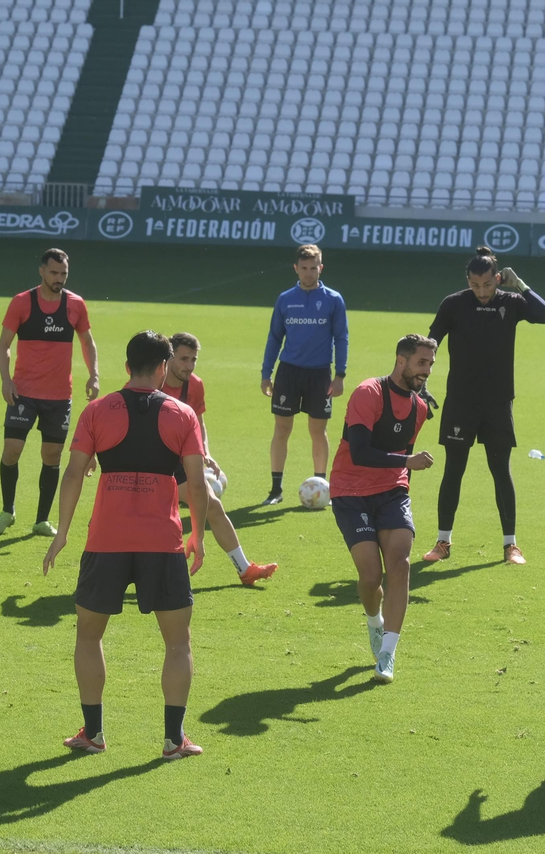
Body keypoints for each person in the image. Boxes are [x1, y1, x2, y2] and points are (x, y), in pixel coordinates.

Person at [43, 331, 207, 760]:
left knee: (88, 636)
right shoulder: (182, 414)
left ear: (126, 365)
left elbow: (74, 473)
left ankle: (94, 734)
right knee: (178, 643)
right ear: (162, 368)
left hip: (106, 540)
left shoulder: (97, 411)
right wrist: (199, 534)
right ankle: (174, 740)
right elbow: (199, 484)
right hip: (163, 542)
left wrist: (62, 531)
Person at [421, 246, 545, 567]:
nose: (481, 292)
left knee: (500, 471)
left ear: (498, 279)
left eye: (488, 285)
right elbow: (430, 343)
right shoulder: (453, 304)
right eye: (475, 285)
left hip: (497, 403)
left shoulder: (511, 302)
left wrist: (519, 284)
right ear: (468, 280)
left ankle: (511, 546)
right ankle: (442, 542)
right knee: (453, 471)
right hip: (460, 402)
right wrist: (420, 385)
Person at [330, 334, 435, 683]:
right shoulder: (368, 394)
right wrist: (408, 460)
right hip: (350, 492)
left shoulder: (420, 408)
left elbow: (403, 463)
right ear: (401, 360)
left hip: (392, 492)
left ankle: (387, 654)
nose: (427, 371)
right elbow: (360, 452)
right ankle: (374, 622)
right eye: (422, 363)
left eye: (431, 364)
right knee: (371, 577)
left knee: (400, 564)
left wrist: (404, 479)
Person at [0, 248, 99, 537]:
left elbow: (87, 342)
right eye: (53, 273)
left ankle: (41, 520)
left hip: (58, 396)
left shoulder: (75, 305)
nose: (59, 279)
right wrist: (6, 380)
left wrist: (94, 374)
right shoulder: (22, 303)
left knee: (51, 456)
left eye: (63, 274)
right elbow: (4, 345)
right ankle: (7, 511)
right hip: (23, 393)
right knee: (11, 451)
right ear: (41, 271)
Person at [162, 332, 277, 586]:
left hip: (178, 462)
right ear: (168, 358)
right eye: (183, 359)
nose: (189, 366)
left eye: (193, 359)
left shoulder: (195, 385)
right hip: (153, 461)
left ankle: (244, 569)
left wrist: (204, 452)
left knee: (211, 505)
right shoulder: (152, 382)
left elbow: (198, 423)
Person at [260, 244, 349, 505]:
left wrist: (340, 374)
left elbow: (341, 337)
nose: (309, 273)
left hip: (320, 374)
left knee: (317, 430)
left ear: (321, 268)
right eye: (304, 268)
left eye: (314, 268)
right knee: (282, 428)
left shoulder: (333, 299)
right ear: (296, 268)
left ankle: (321, 487)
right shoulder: (285, 299)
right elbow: (274, 338)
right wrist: (267, 373)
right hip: (288, 372)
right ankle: (276, 490)